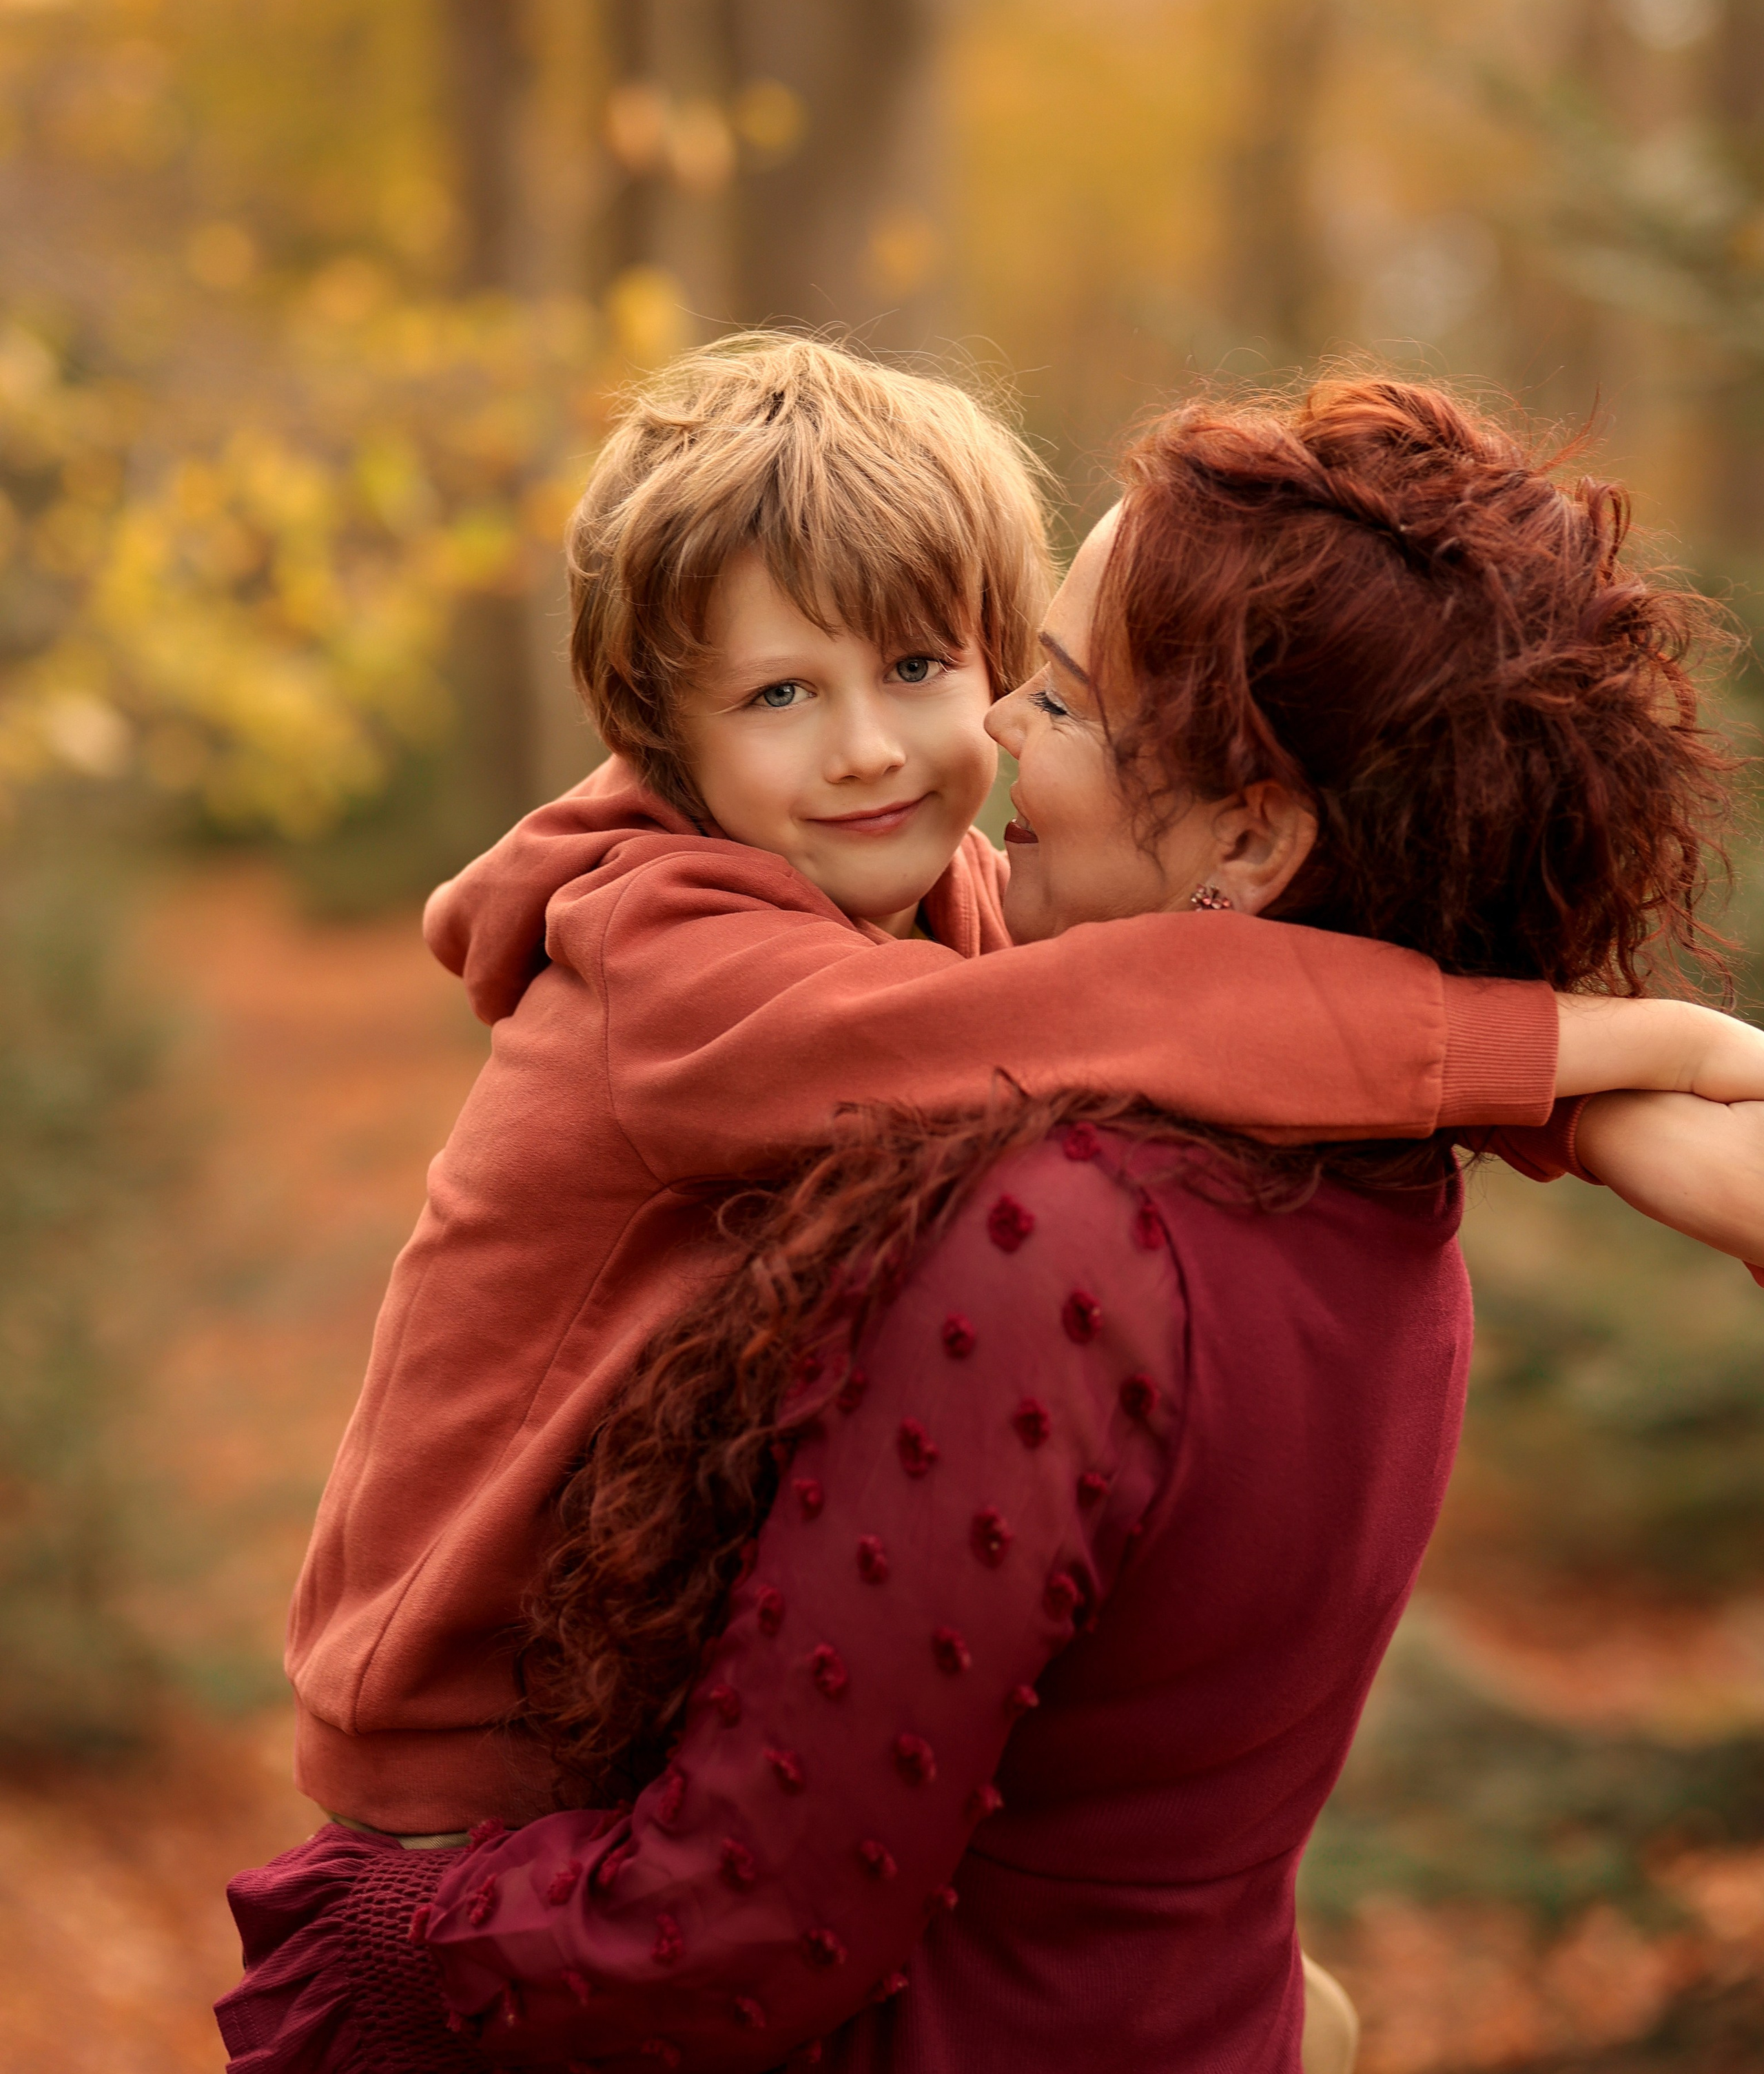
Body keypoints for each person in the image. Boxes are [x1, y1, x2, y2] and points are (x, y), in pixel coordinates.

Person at [220, 376, 1764, 2074]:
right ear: (664, 734)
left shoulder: (952, 930)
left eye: (946, 674)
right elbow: (1158, 1005)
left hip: (647, 1786)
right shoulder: (675, 964)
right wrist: (1566, 1059)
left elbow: (1186, 1011)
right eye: (780, 694)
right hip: (467, 1768)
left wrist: (1560, 1104)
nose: (881, 748)